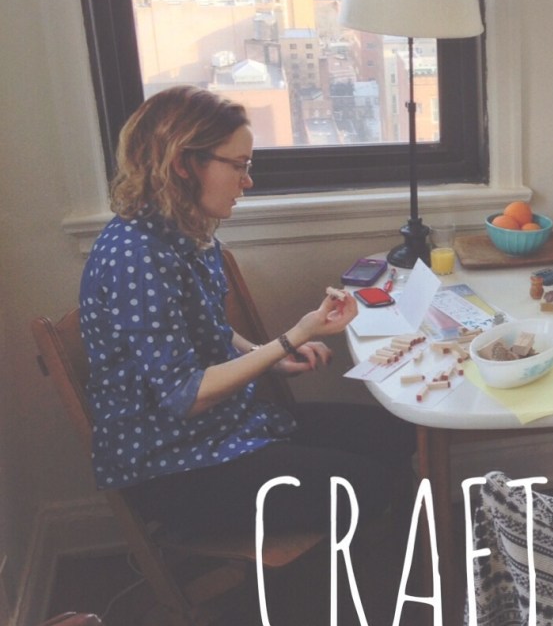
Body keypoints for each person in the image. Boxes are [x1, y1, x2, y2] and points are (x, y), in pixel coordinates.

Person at [79, 85, 414, 538]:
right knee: (367, 486)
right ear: (183, 163)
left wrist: (269, 355)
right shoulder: (136, 257)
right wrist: (292, 338)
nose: (247, 181)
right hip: (174, 464)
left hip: (227, 424)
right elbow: (185, 395)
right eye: (238, 166)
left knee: (397, 433)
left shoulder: (185, 229)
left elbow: (211, 329)